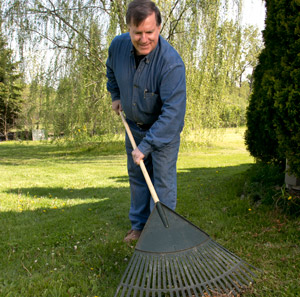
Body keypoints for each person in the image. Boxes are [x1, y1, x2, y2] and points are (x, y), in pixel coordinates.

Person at [106, 0, 186, 243]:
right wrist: (116, 95)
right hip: (133, 128)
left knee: (162, 185)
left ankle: (159, 234)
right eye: (137, 32)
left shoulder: (171, 64)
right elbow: (111, 70)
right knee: (138, 180)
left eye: (149, 32)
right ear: (128, 28)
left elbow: (172, 115)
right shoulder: (118, 46)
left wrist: (146, 147)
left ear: (159, 28)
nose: (143, 39)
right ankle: (139, 227)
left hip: (163, 133)